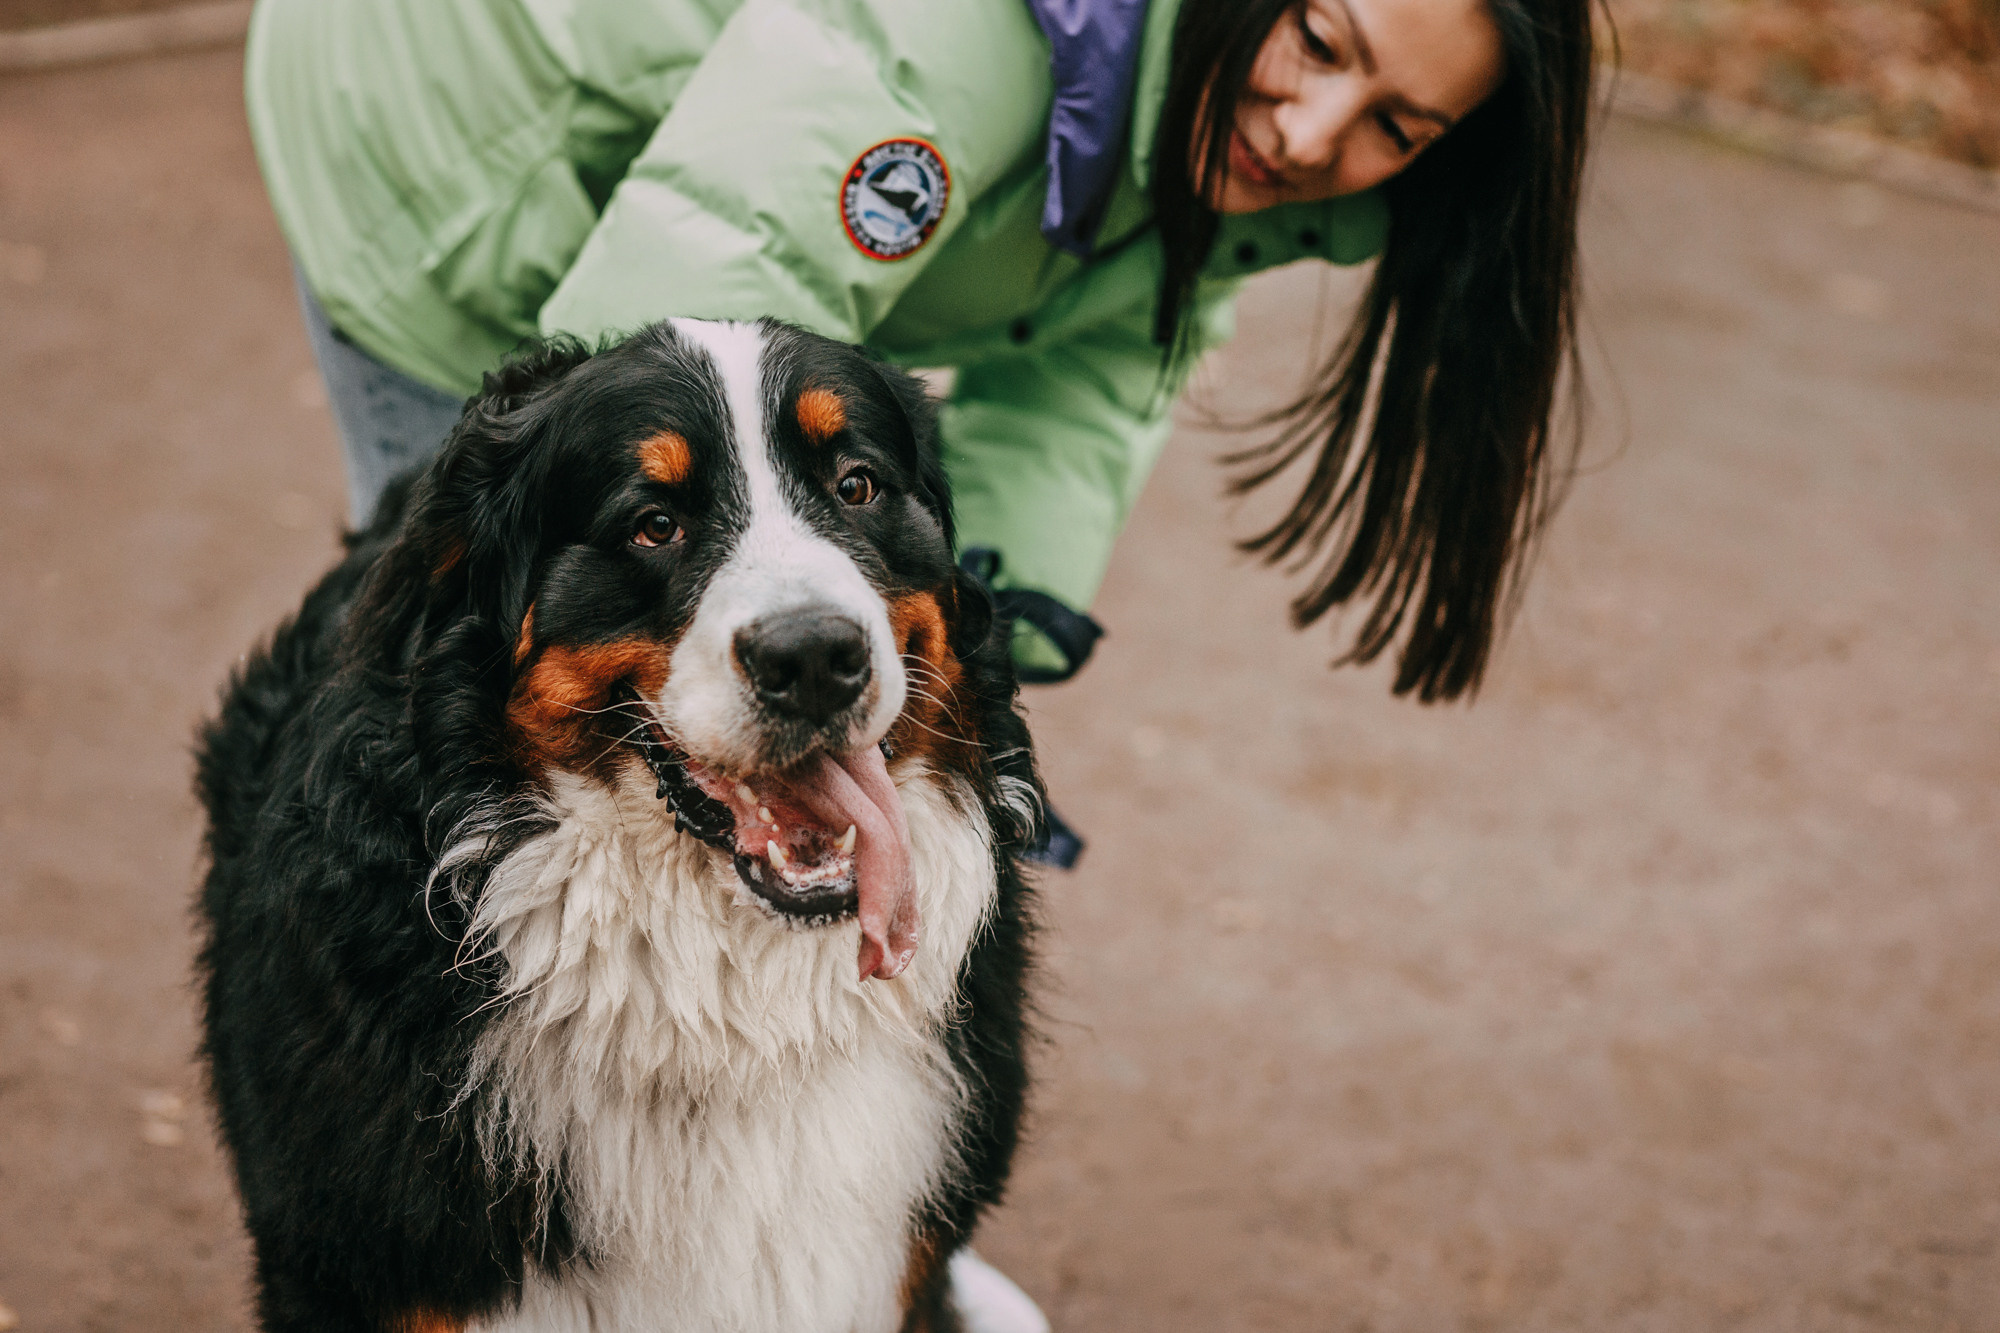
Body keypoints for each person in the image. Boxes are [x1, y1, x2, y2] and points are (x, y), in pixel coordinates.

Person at [246, 0, 1594, 1322]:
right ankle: (580, 1237)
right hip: (449, 131)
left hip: (726, 158)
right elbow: (666, 353)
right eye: (1320, 40)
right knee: (472, 638)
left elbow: (1092, 380)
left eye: (1397, 125)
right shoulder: (945, 38)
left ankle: (820, 1234)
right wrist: (740, 607)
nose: (1311, 133)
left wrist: (942, 669)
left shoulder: (1224, 141)